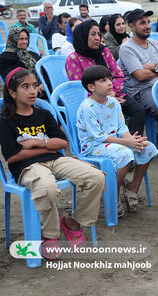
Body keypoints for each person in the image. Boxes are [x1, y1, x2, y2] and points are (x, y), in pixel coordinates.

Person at [0, 67, 105, 258]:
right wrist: (48, 147)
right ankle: (49, 235)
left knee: (96, 177)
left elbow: (62, 142)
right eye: (25, 87)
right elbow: (12, 156)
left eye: (34, 85)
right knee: (47, 187)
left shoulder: (43, 114)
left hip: (55, 159)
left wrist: (36, 143)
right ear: (12, 92)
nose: (33, 91)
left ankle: (73, 223)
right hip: (27, 166)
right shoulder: (6, 120)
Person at [77, 65, 158, 217]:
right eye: (103, 80)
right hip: (94, 146)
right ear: (91, 87)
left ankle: (132, 188)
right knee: (126, 154)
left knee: (148, 147)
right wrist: (127, 143)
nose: (109, 83)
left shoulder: (113, 103)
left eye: (110, 79)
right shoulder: (87, 107)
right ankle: (112, 195)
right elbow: (98, 136)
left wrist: (133, 140)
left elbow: (121, 128)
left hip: (115, 142)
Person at [66, 19, 146, 137]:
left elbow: (118, 75)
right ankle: (115, 146)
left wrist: (112, 94)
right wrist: (105, 98)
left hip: (115, 95)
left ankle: (134, 145)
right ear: (82, 36)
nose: (97, 37)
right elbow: (80, 89)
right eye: (93, 34)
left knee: (138, 110)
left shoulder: (104, 52)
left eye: (99, 34)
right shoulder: (73, 59)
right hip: (92, 103)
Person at [118, 9, 158, 152]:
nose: (147, 26)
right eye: (142, 23)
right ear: (132, 27)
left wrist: (152, 67)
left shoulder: (155, 44)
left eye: (148, 22)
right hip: (141, 90)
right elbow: (140, 76)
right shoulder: (127, 48)